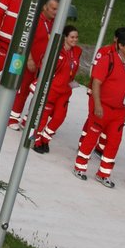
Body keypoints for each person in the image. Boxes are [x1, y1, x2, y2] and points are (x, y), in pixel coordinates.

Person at [73, 28, 125, 187]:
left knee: (114, 142)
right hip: (104, 108)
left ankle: (103, 174)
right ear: (120, 46)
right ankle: (80, 167)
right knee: (91, 137)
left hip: (119, 112)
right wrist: (97, 105)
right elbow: (96, 82)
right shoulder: (107, 59)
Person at [8, 0, 59, 128]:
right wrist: (29, 59)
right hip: (28, 61)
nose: (55, 12)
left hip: (42, 65)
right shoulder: (34, 21)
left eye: (57, 9)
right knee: (22, 89)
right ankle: (12, 118)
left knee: (38, 93)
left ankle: (27, 120)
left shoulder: (55, 24)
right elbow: (25, 40)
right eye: (53, 9)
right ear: (44, 7)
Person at [32, 24, 82, 153]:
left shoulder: (77, 51)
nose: (75, 40)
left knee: (59, 117)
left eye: (76, 37)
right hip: (51, 89)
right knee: (42, 117)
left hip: (65, 91)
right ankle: (36, 141)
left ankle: (45, 138)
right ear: (65, 37)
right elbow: (44, 67)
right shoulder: (55, 50)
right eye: (72, 37)